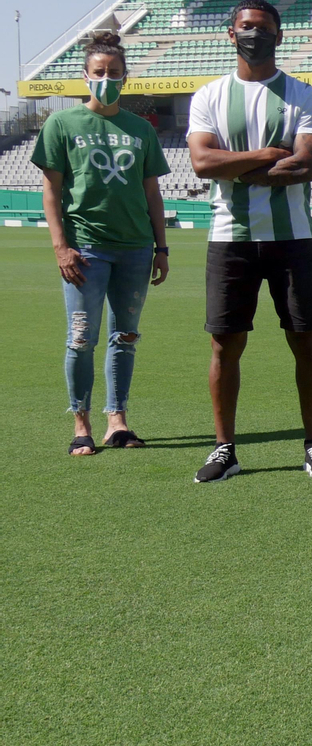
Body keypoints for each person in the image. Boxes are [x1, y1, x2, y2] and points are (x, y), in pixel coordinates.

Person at [186, 0, 312, 483]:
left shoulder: (303, 95)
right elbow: (201, 163)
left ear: (279, 35)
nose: (255, 34)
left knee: (305, 339)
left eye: (264, 27)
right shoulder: (209, 96)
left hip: (292, 237)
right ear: (231, 34)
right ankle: (224, 449)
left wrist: (235, 167)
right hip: (229, 237)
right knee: (224, 345)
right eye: (247, 26)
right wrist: (266, 155)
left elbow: (305, 166)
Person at [32, 31, 170, 455]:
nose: (106, 78)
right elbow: (51, 191)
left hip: (135, 248)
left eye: (114, 72)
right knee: (81, 338)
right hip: (85, 249)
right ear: (85, 76)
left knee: (125, 337)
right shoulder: (61, 124)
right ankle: (81, 424)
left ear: (125, 77)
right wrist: (60, 247)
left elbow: (152, 192)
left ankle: (117, 421)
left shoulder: (140, 129)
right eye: (99, 72)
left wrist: (161, 247)